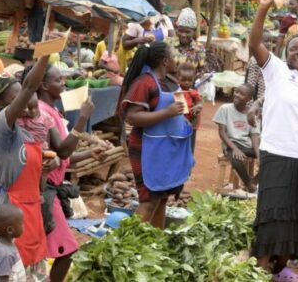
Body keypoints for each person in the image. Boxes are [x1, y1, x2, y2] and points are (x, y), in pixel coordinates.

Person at [248, 0, 298, 282]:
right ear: (286, 54)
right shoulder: (277, 72)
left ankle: (280, 271)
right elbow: (254, 44)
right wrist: (263, 8)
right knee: (271, 217)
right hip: (277, 154)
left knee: (294, 219)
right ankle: (260, 271)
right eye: (293, 49)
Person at [32, 64, 108, 282]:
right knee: (67, 249)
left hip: (52, 188)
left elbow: (60, 157)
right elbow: (62, 150)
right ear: (44, 85)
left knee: (46, 248)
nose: (63, 84)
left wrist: (89, 154)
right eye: (58, 81)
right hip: (44, 189)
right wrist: (82, 118)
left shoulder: (53, 110)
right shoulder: (42, 111)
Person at [0, 54, 54, 280]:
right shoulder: (2, 129)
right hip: (12, 214)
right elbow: (29, 87)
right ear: (1, 104)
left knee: (35, 273)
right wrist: (46, 54)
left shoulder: (24, 131)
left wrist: (45, 167)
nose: (24, 107)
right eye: (17, 100)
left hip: (30, 213)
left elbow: (34, 176)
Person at [122, 42, 194, 228]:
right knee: (149, 200)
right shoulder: (144, 83)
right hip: (148, 149)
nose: (176, 59)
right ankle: (126, 244)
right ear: (165, 61)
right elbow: (132, 116)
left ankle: (155, 243)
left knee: (161, 197)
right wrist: (167, 113)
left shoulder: (171, 82)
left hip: (167, 149)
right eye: (174, 56)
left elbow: (180, 111)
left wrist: (189, 116)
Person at [214, 83, 260, 194]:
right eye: (237, 92)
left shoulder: (251, 114)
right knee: (236, 159)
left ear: (249, 99)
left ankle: (255, 180)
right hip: (230, 144)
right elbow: (222, 133)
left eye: (242, 94)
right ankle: (250, 185)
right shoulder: (225, 109)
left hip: (247, 145)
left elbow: (254, 136)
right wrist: (235, 149)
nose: (237, 95)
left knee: (269, 157)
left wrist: (259, 156)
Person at [169, 8, 218, 80]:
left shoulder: (198, 48)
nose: (183, 35)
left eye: (187, 32)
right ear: (177, 29)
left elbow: (201, 70)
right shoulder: (169, 44)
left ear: (194, 31)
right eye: (180, 31)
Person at [0, 203, 26, 282]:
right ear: (10, 230)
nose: (23, 226)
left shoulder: (1, 244)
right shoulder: (5, 254)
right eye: (21, 224)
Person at [177, 66, 203, 153]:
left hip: (191, 123)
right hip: (179, 122)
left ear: (193, 80)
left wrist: (197, 106)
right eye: (183, 80)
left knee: (190, 143)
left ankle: (189, 158)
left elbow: (200, 103)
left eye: (189, 80)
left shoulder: (193, 92)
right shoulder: (177, 92)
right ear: (178, 79)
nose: (187, 82)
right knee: (179, 142)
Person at [245, 32, 276, 103]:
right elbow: (251, 83)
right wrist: (250, 103)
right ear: (258, 42)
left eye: (270, 41)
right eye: (266, 41)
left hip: (268, 96)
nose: (269, 43)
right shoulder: (255, 60)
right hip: (258, 96)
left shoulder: (272, 58)